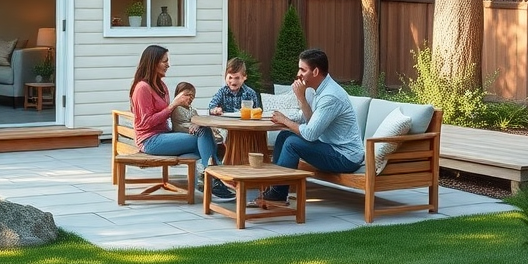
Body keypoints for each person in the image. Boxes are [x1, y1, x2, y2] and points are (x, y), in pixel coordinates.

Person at [255, 48, 364, 207]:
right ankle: (276, 186)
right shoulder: (317, 89)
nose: (299, 73)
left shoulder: (330, 96)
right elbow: (311, 120)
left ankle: (278, 194)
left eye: (302, 69)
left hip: (346, 157)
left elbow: (311, 133)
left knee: (292, 143)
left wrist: (286, 119)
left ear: (316, 71)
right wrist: (284, 111)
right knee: (284, 136)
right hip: (330, 147)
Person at [130, 45, 236, 201]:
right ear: (153, 63)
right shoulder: (142, 88)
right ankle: (212, 179)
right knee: (205, 138)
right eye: (165, 61)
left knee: (204, 132)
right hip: (150, 140)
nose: (168, 65)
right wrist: (173, 105)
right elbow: (146, 123)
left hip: (165, 135)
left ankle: (208, 177)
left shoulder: (161, 86)